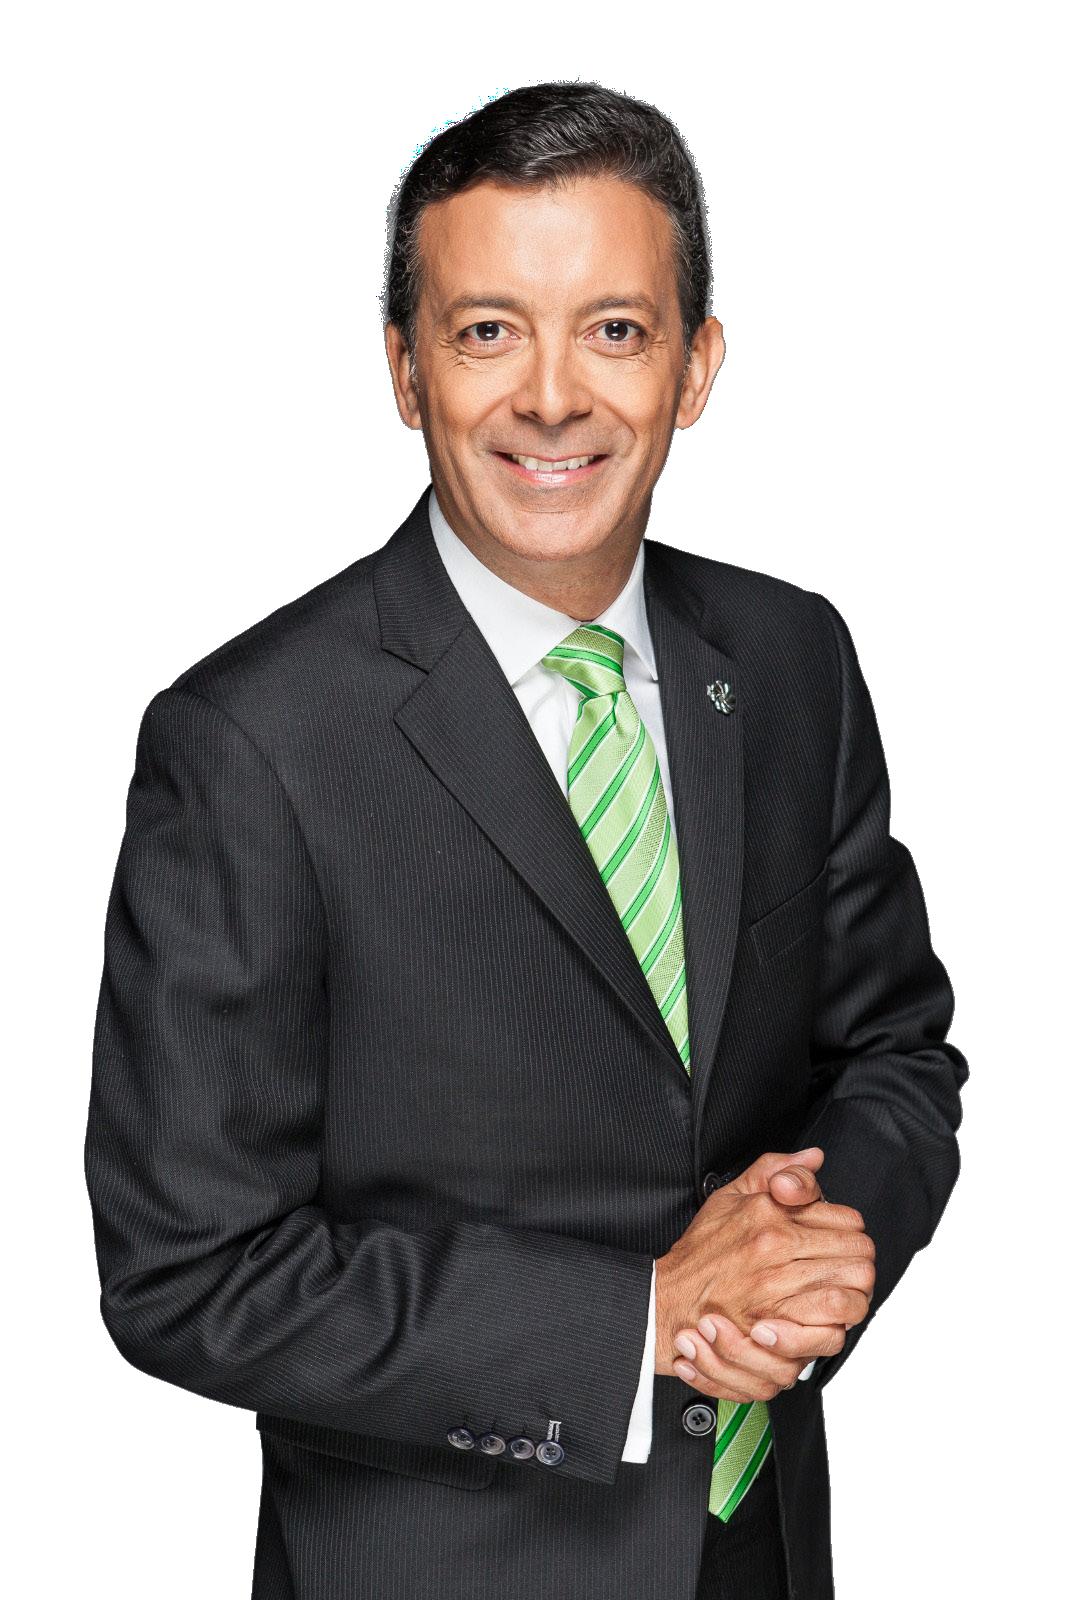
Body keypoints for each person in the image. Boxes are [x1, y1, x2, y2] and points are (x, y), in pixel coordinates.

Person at [84, 81, 968, 1600]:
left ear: (695, 365)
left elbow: (891, 1052)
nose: (552, 397)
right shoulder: (250, 741)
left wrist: (817, 1248)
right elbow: (189, 1269)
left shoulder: (790, 659)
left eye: (614, 329)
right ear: (403, 368)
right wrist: (641, 1323)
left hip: (754, 1554)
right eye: (487, 330)